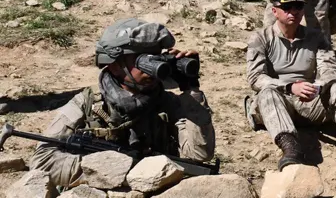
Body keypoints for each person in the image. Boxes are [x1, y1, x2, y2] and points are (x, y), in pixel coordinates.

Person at [30, 18, 216, 187]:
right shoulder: (87, 103)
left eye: (156, 56)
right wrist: (107, 169)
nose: (152, 67)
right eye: (142, 60)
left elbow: (199, 155)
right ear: (114, 65)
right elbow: (42, 160)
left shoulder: (168, 102)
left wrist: (191, 88)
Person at [243, 0, 336, 171]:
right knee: (267, 93)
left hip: (309, 101)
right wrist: (289, 86)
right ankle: (290, 149)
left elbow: (330, 69)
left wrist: (318, 87)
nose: (293, 12)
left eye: (298, 6)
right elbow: (256, 77)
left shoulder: (315, 37)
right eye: (287, 7)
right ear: (275, 11)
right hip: (279, 101)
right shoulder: (261, 38)